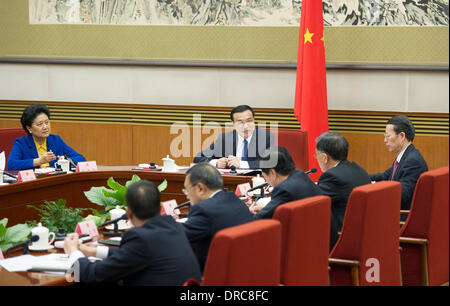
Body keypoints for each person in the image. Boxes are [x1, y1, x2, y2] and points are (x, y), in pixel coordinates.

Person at [64, 180, 202, 285]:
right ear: (160, 208)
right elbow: (133, 254)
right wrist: (92, 251)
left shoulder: (141, 238)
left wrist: (73, 252)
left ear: (128, 212)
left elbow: (91, 275)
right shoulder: (173, 227)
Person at [181, 163, 254, 271]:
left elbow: (178, 235)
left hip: (212, 275)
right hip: (242, 270)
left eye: (186, 190)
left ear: (200, 188)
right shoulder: (235, 199)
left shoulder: (204, 210)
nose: (187, 196)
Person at [314, 132, 372, 251]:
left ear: (325, 157)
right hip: (363, 235)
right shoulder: (358, 169)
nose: (316, 158)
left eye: (316, 155)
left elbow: (312, 203)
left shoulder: (332, 177)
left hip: (340, 240)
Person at [370, 115, 428, 211]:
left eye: (388, 136)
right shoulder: (405, 156)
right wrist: (360, 178)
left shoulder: (413, 161)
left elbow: (401, 194)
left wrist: (375, 188)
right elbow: (385, 176)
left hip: (402, 218)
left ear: (401, 136)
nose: (385, 140)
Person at [193, 105, 274, 169]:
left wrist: (241, 164)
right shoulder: (224, 138)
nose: (246, 126)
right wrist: (216, 163)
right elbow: (198, 158)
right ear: (233, 124)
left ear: (254, 120)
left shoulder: (266, 137)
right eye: (240, 122)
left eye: (249, 121)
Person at [7, 104, 85, 170]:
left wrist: (65, 160)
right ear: (29, 128)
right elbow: (11, 165)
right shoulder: (21, 143)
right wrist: (38, 161)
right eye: (40, 124)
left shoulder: (56, 140)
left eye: (47, 122)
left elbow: (81, 158)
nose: (45, 127)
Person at [252, 146, 322, 219]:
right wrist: (266, 209)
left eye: (265, 176)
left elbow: (258, 219)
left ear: (272, 172)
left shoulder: (284, 190)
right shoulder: (300, 175)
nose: (266, 181)